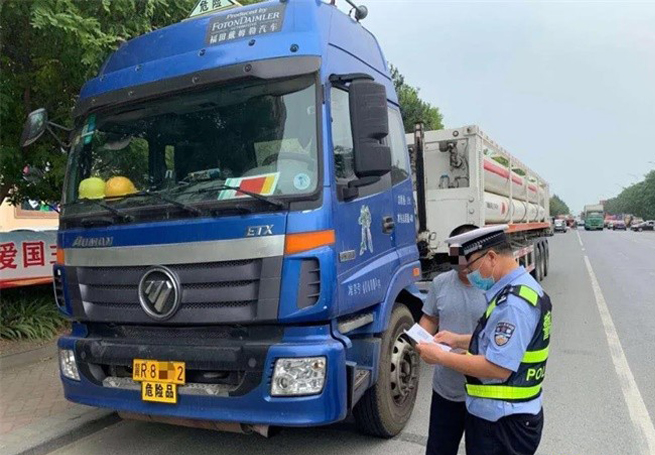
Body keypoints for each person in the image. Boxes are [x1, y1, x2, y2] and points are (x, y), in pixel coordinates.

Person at [416, 225, 552, 455]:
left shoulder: (513, 304)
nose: (468, 272)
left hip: (504, 422)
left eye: (471, 265)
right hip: (501, 415)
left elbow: (497, 367)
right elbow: (499, 343)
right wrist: (458, 340)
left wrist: (440, 357)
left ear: (490, 257)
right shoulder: (517, 290)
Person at [420, 224, 487, 455]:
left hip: (484, 392)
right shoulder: (441, 283)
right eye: (457, 260)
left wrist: (458, 343)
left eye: (468, 260)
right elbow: (430, 318)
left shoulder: (495, 288)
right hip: (446, 389)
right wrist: (422, 341)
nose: (464, 267)